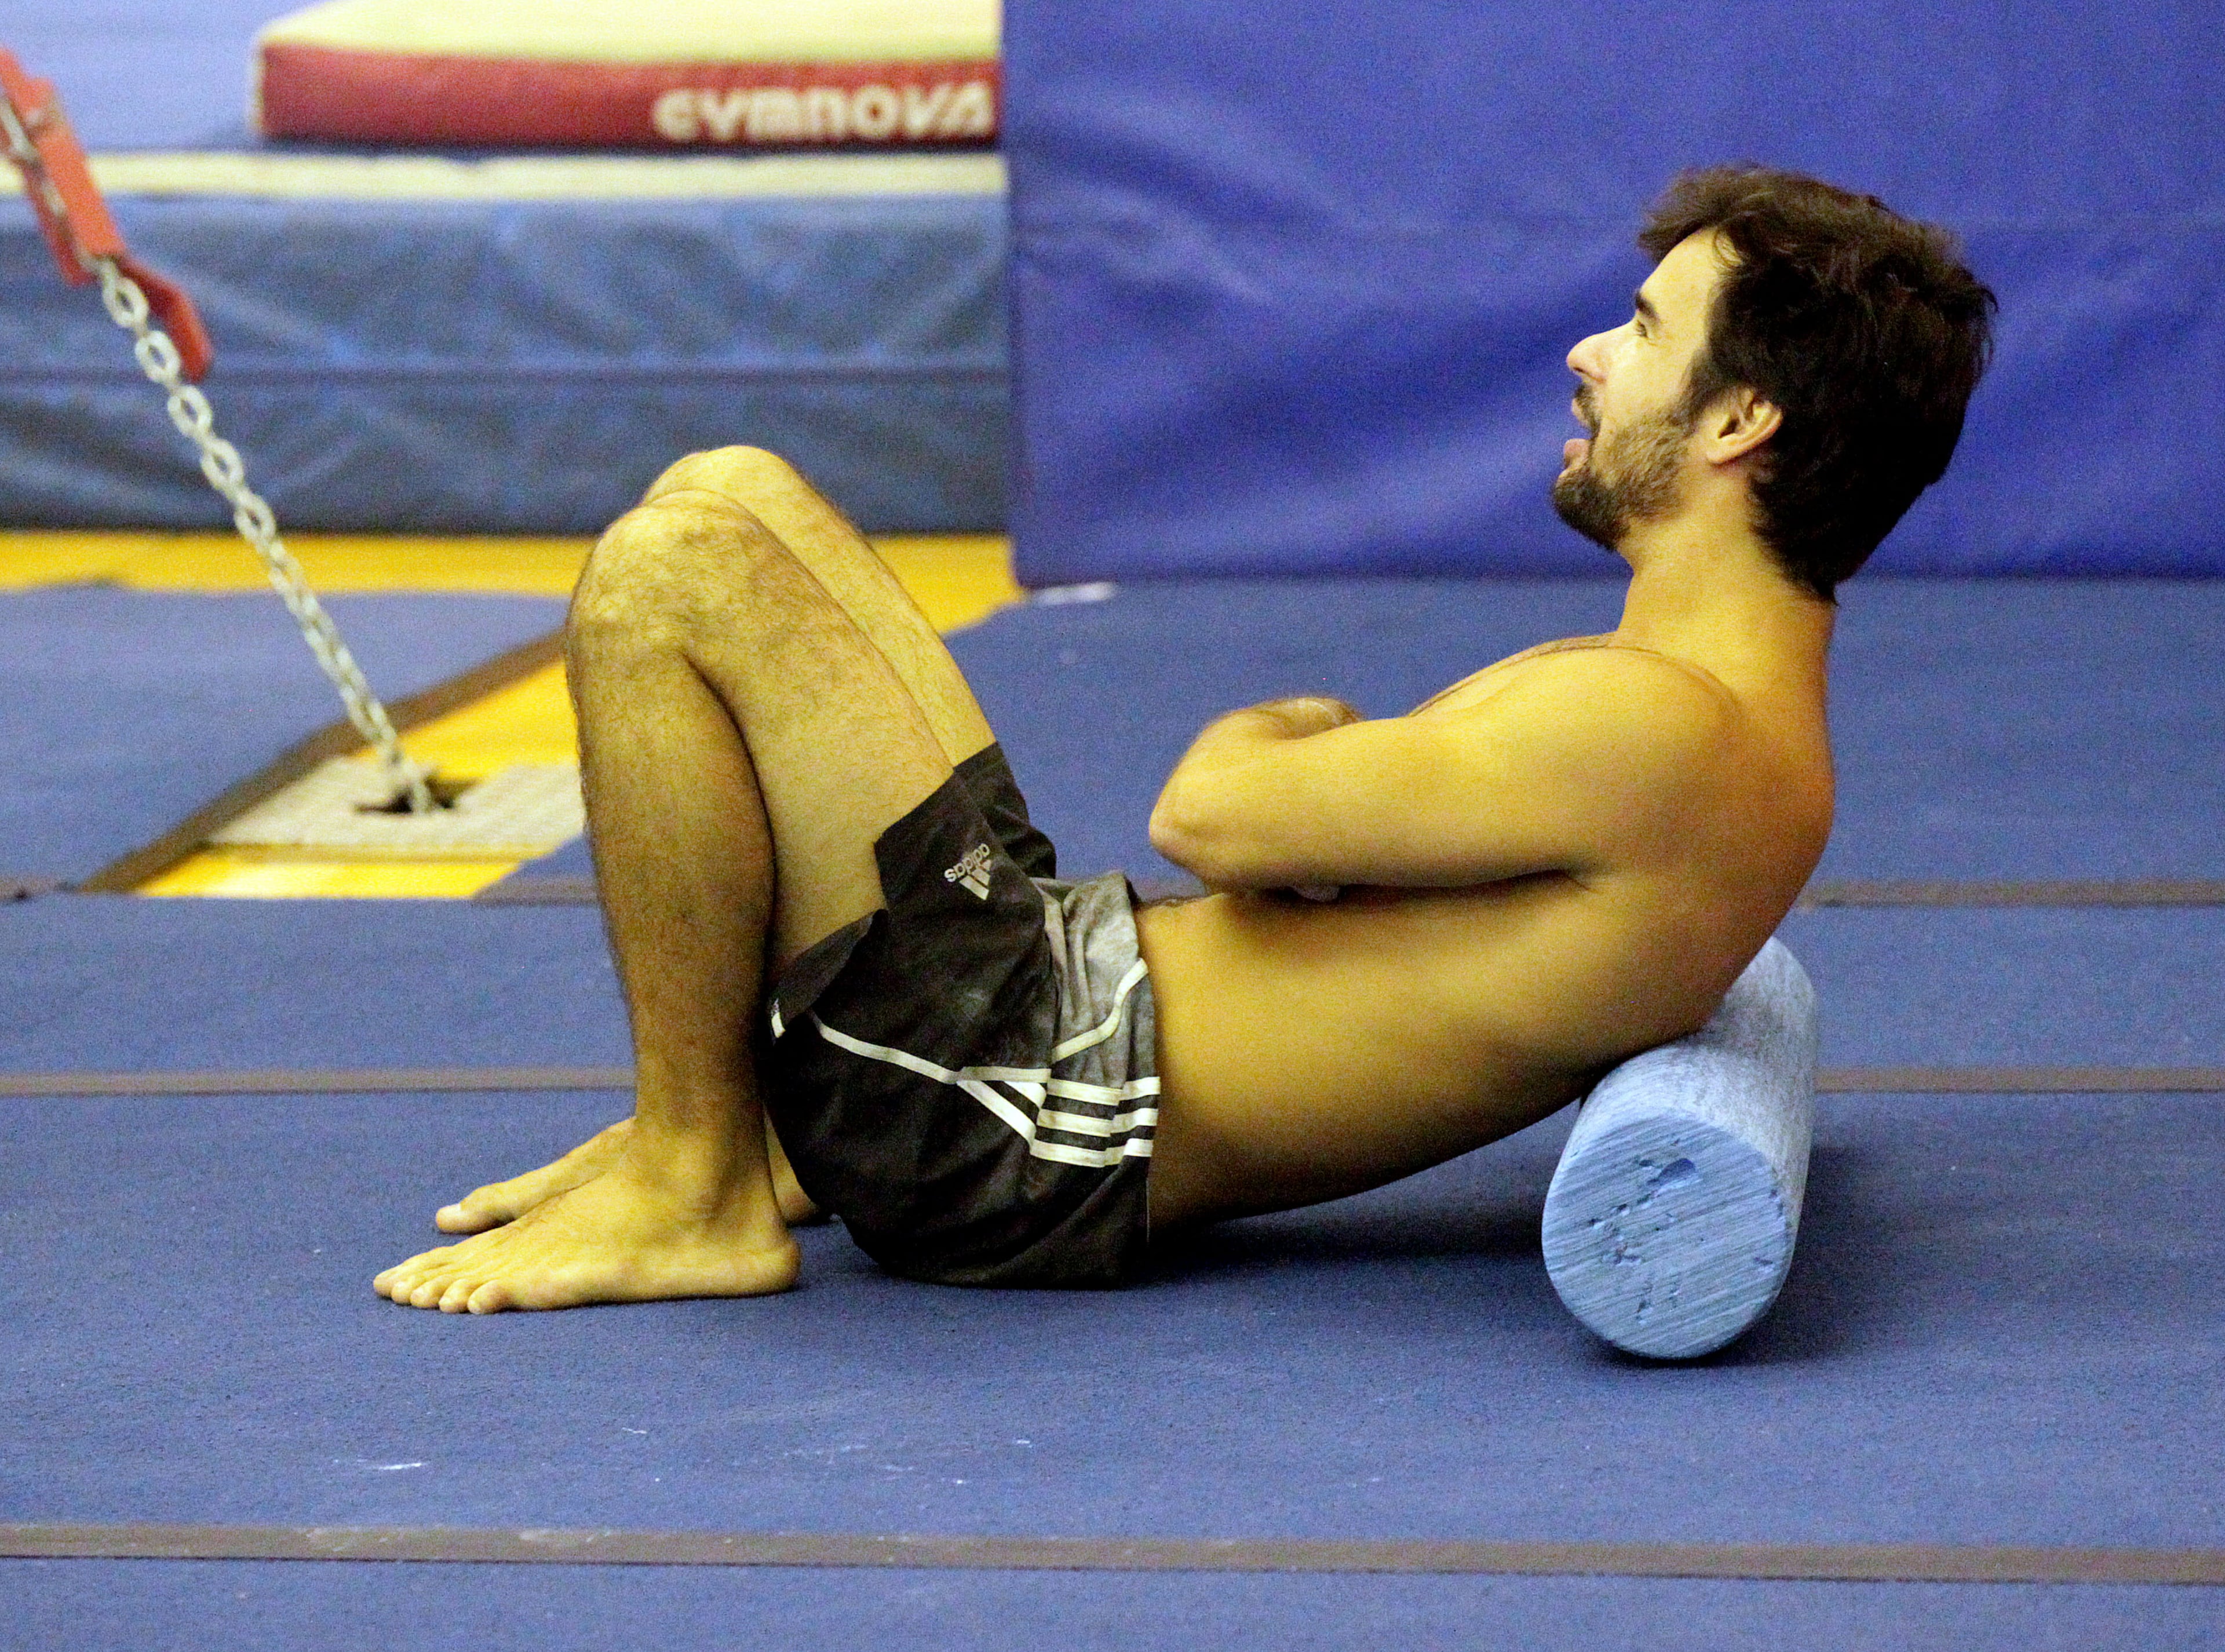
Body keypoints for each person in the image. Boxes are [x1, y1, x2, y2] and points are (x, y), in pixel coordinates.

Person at [374, 165, 1994, 1314]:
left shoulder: (1659, 729)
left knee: (670, 571)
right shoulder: (1729, 725)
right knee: (730, 494)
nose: (1589, 355)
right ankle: (729, 1130)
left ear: (1738, 421)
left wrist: (1301, 728)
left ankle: (693, 1181)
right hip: (1041, 1006)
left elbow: (1213, 815)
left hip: (1016, 1111)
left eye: (1640, 331)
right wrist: (1330, 792)